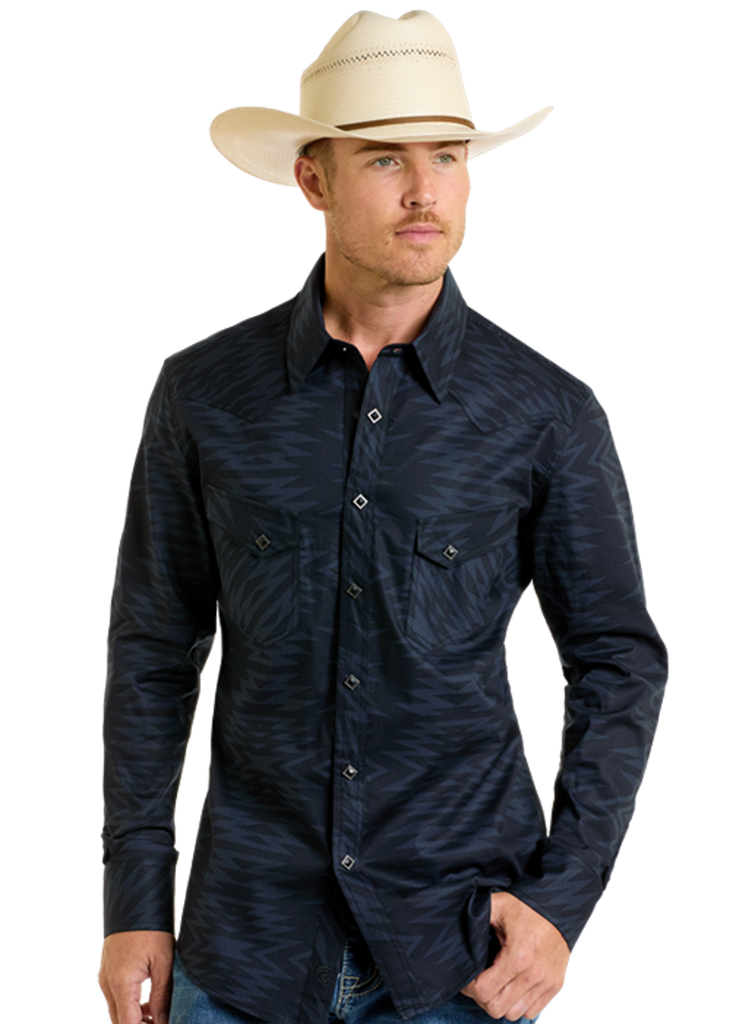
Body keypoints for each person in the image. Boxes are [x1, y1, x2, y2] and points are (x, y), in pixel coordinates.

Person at [95, 8, 670, 1024]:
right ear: (312, 180)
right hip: (245, 947)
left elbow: (618, 658)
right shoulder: (202, 393)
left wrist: (562, 898)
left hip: (463, 952)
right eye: (384, 159)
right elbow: (151, 649)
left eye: (447, 157)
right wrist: (133, 904)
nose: (423, 192)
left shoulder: (545, 410)